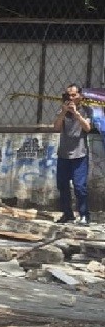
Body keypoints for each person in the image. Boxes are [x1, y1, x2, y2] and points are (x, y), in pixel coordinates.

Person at [53, 84, 92, 226]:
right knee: (62, 185)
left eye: (74, 95)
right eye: (68, 95)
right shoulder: (62, 110)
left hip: (79, 155)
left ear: (80, 96)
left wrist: (76, 114)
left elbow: (87, 128)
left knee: (79, 186)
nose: (71, 97)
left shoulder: (86, 110)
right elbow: (56, 128)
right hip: (63, 155)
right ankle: (67, 214)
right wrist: (63, 113)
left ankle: (84, 215)